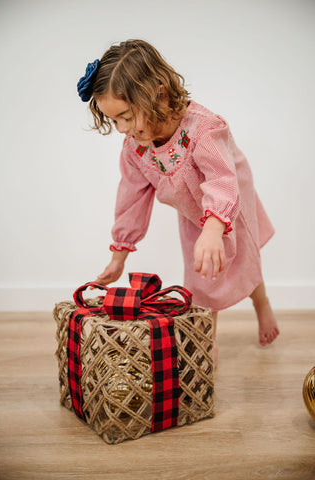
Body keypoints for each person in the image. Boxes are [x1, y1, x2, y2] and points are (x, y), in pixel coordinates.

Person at [77, 39, 280, 363]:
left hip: (228, 201)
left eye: (127, 116)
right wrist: (119, 255)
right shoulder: (135, 147)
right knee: (204, 276)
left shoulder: (203, 129)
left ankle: (261, 303)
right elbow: (132, 198)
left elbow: (221, 179)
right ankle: (206, 344)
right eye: (114, 120)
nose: (122, 129)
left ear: (159, 95)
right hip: (193, 212)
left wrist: (214, 229)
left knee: (242, 261)